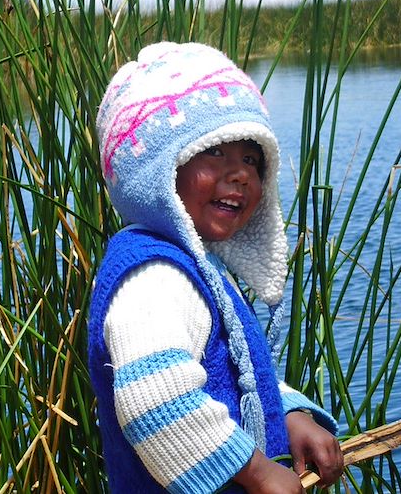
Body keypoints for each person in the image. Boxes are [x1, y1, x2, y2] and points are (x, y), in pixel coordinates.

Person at [88, 42, 343, 494]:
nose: (241, 173)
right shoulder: (154, 279)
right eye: (214, 152)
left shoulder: (194, 266)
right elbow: (155, 400)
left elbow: (231, 378)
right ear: (156, 173)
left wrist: (291, 415)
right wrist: (260, 474)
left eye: (250, 158)